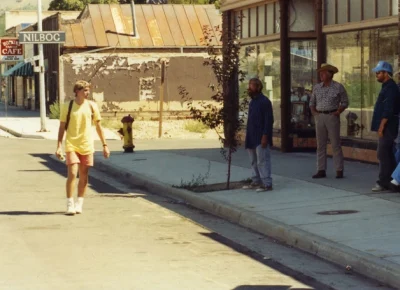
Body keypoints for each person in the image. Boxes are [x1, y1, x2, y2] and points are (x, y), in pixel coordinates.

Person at [56, 80, 110, 215]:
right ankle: (70, 204)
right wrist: (58, 146)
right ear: (77, 91)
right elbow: (62, 127)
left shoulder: (92, 106)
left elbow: (98, 127)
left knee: (84, 176)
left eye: (88, 90)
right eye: (85, 90)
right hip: (71, 144)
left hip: (87, 145)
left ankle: (79, 203)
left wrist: (105, 145)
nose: (87, 93)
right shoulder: (67, 106)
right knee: (73, 173)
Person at [310, 63, 348, 179]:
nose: (321, 74)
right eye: (320, 72)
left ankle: (339, 169)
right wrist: (314, 113)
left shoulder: (338, 87)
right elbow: (312, 102)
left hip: (332, 116)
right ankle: (321, 169)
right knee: (320, 145)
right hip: (320, 116)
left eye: (324, 72)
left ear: (330, 74)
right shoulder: (317, 87)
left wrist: (338, 112)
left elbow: (345, 102)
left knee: (335, 144)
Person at [370, 61, 400, 192]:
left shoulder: (391, 88)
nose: (376, 75)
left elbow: (388, 110)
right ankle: (392, 180)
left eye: (378, 72)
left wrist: (381, 127)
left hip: (388, 126)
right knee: (388, 153)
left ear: (386, 73)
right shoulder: (386, 87)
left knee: (382, 153)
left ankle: (383, 181)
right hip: (387, 125)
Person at [243, 78, 274, 192]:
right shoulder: (253, 101)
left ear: (258, 87)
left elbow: (268, 120)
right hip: (251, 135)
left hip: (261, 136)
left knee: (263, 160)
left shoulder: (264, 101)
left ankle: (267, 183)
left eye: (251, 86)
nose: (249, 88)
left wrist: (265, 135)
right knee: (253, 161)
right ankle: (256, 180)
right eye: (249, 85)